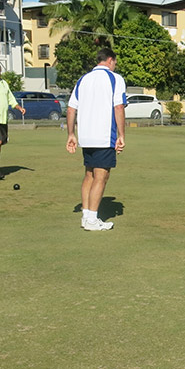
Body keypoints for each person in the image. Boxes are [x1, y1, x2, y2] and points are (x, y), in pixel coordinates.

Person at [65, 47, 126, 231]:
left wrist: (71, 134)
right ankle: (92, 219)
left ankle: (87, 216)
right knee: (102, 176)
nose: (115, 65)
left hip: (86, 136)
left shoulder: (83, 79)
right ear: (110, 60)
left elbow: (70, 109)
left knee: (89, 174)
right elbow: (119, 108)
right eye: (114, 62)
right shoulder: (115, 79)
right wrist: (122, 135)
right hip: (104, 136)